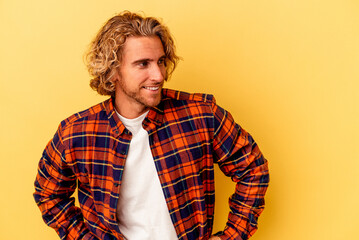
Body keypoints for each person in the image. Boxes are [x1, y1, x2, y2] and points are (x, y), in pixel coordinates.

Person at [33, 11, 269, 240]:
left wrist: (231, 236)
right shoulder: (77, 133)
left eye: (161, 62)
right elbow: (49, 195)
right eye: (143, 64)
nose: (158, 75)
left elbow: (253, 169)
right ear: (113, 70)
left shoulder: (201, 115)